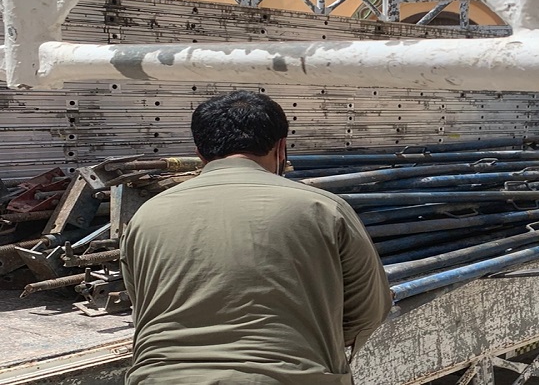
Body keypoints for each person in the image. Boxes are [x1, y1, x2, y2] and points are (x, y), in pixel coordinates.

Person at [120, 90, 392, 384]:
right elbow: (369, 310)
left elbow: (143, 306)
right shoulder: (323, 208)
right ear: (281, 148)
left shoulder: (146, 216)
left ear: (199, 153)